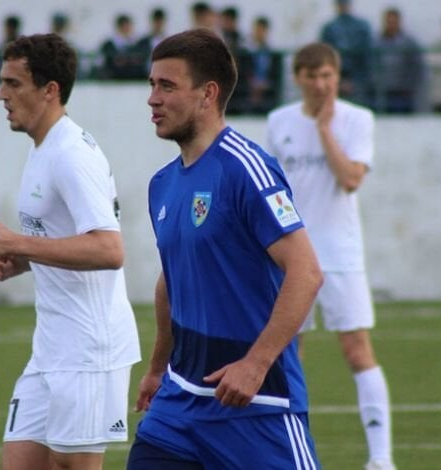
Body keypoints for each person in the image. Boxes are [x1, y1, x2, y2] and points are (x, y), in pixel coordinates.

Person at [127, 28, 323, 469]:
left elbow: (307, 272)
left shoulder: (246, 169)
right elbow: (172, 279)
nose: (153, 99)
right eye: (152, 85)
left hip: (255, 406)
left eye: (167, 86)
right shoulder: (162, 184)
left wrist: (255, 364)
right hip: (178, 405)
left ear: (207, 94)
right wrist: (157, 369)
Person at [0, 33, 141, 470]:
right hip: (52, 347)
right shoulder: (43, 148)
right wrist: (24, 261)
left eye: (13, 84)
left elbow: (109, 249)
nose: (1, 95)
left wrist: (16, 242)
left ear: (50, 90)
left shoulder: (71, 155)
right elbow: (66, 236)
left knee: (71, 466)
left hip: (87, 350)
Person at [266, 42, 395, 470]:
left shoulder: (357, 119)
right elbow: (274, 190)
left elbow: (351, 179)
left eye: (328, 76)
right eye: (312, 76)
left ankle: (381, 458)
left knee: (357, 350)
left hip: (341, 253)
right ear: (298, 78)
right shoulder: (279, 121)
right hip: (292, 257)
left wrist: (324, 130)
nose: (321, 85)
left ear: (337, 77)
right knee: (288, 353)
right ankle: (287, 451)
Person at [320, 0, 376, 109]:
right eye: (341, 4)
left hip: (359, 79)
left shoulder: (362, 26)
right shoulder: (329, 28)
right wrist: (339, 81)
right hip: (335, 78)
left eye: (345, 4)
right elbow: (326, 55)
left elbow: (367, 58)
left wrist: (355, 81)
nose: (343, 7)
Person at [375, 7, 423, 113]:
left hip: (403, 92)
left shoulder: (409, 43)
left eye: (394, 22)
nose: (391, 25)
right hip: (381, 92)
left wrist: (410, 85)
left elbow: (416, 67)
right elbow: (371, 64)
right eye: (389, 22)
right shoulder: (376, 42)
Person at [245, 16, 284, 114]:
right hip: (248, 92)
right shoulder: (245, 52)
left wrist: (265, 84)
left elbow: (276, 75)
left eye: (262, 30)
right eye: (257, 30)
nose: (259, 33)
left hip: (267, 93)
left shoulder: (273, 53)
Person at [94, 14, 147, 80]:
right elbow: (100, 63)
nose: (127, 29)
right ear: (119, 27)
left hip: (135, 80)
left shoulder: (138, 45)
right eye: (124, 26)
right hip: (114, 80)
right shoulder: (108, 45)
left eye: (128, 26)